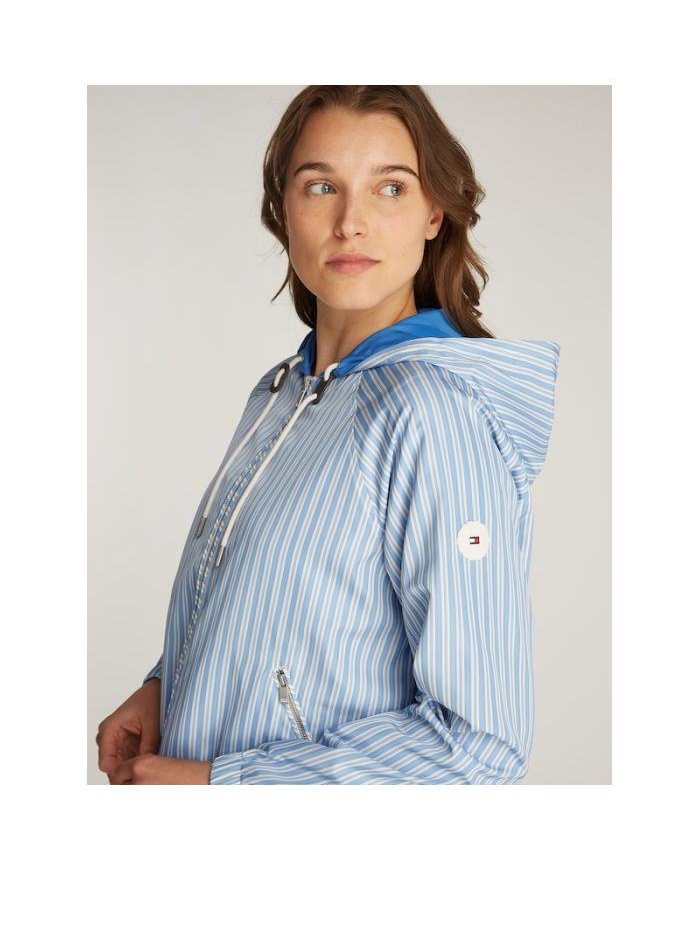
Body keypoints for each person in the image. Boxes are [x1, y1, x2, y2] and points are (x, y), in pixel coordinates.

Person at [96, 85, 560, 785]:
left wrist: (221, 785)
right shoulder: (282, 392)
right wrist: (169, 686)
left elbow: (479, 747)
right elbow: (277, 607)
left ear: (434, 213)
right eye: (321, 186)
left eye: (390, 188)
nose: (351, 223)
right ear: (284, 210)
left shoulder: (433, 413)